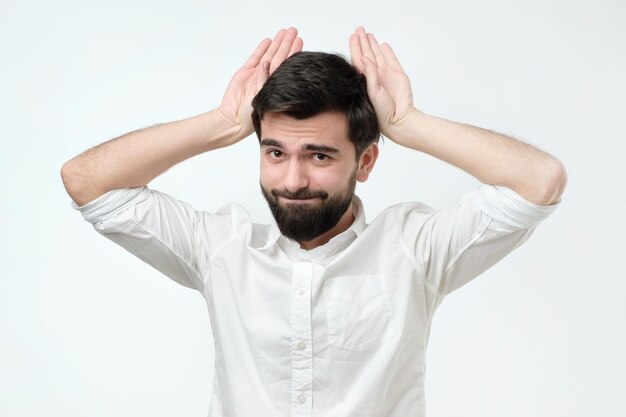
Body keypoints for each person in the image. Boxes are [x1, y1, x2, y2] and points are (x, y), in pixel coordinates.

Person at [61, 26, 566, 417]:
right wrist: (219, 124)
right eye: (275, 151)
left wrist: (409, 124)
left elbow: (539, 180)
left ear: (364, 163)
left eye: (320, 156)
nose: (293, 179)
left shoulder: (416, 248)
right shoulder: (221, 249)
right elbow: (86, 181)